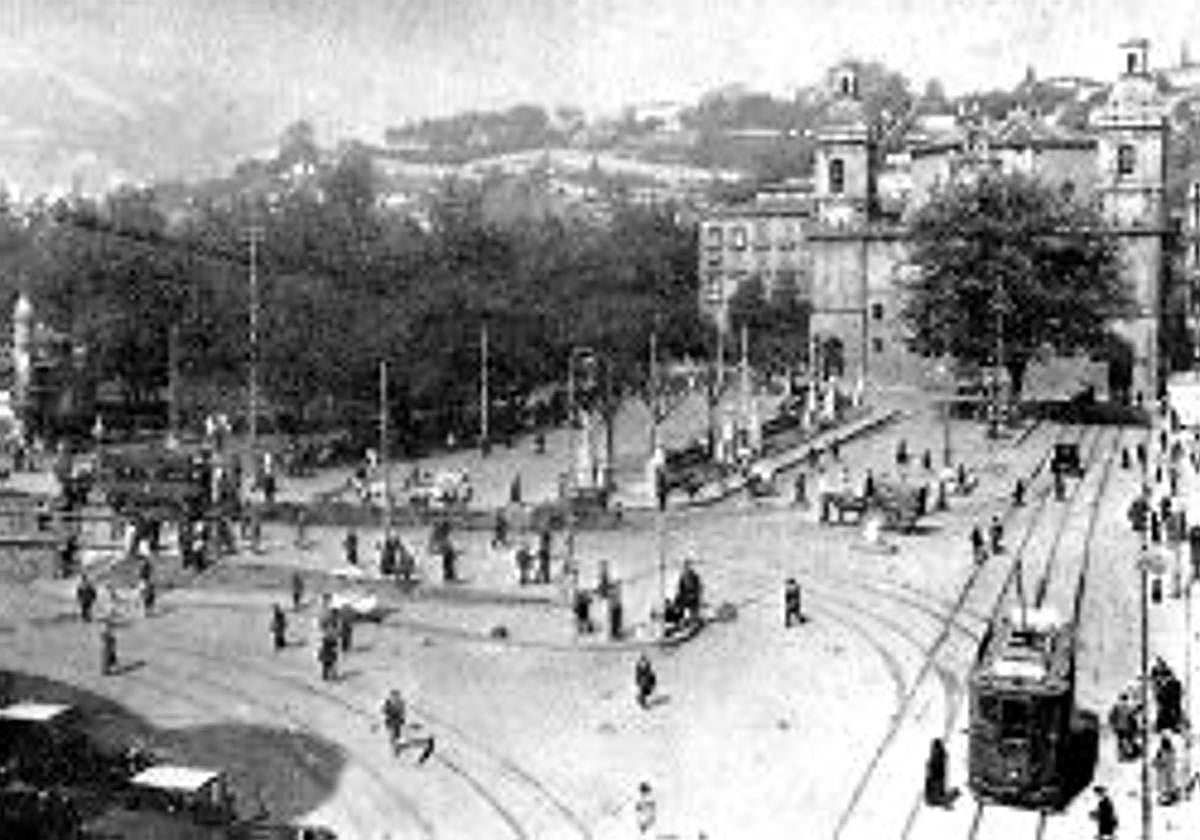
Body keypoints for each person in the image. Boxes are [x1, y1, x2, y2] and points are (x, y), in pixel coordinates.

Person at [381, 689, 435, 763]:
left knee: (402, 742)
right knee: (401, 742)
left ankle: (424, 744)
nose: (395, 698)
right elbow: (387, 713)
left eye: (396, 696)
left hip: (398, 725)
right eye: (393, 697)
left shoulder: (399, 704)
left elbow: (399, 715)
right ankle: (424, 745)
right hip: (395, 725)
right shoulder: (390, 704)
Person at [924, 738, 949, 806]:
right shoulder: (936, 758)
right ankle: (936, 797)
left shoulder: (935, 757)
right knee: (937, 781)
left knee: (938, 781)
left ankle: (937, 796)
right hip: (935, 775)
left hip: (936, 774)